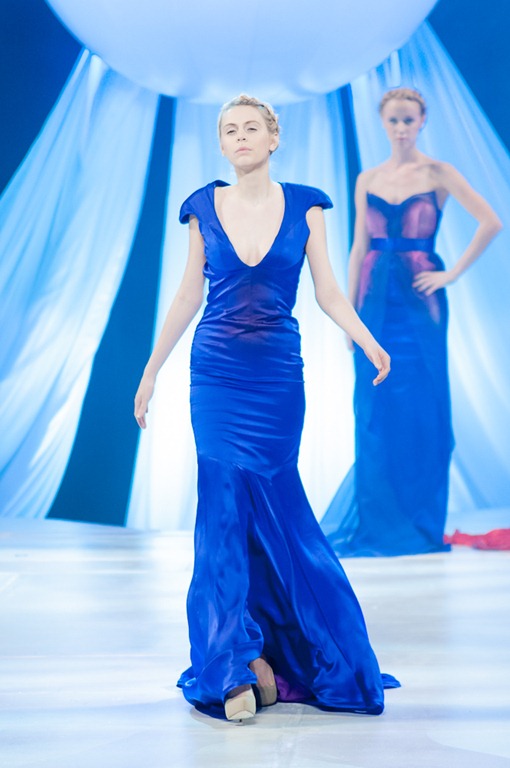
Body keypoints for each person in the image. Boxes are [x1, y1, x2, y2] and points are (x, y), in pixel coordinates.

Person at [134, 94, 398, 722]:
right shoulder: (202, 207)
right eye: (230, 130)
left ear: (273, 137)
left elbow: (328, 290)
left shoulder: (307, 206)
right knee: (221, 513)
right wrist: (151, 370)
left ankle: (276, 659)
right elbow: (187, 295)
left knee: (279, 510)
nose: (241, 137)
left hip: (278, 377)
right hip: (216, 375)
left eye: (251, 127)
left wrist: (367, 340)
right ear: (222, 143)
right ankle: (230, 670)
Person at [321, 87, 502, 558]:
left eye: (408, 120)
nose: (401, 128)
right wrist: (348, 317)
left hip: (421, 305)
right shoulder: (367, 178)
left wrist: (450, 273)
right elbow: (359, 247)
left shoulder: (439, 173)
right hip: (373, 301)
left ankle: (419, 523)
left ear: (422, 122)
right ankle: (379, 524)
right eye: (393, 120)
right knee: (374, 409)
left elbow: (491, 221)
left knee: (423, 409)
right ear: (383, 124)